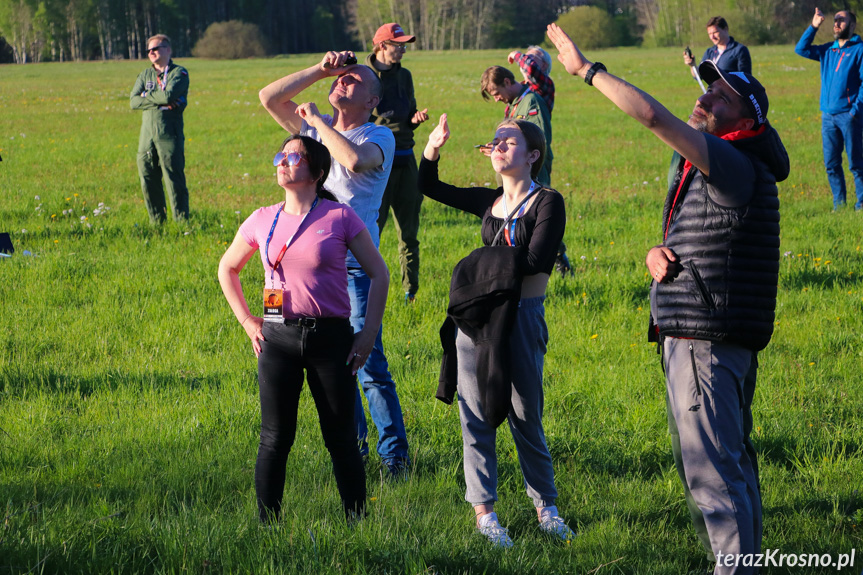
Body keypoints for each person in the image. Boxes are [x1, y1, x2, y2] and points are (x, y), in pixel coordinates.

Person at [548, 22, 788, 575]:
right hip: (712, 331)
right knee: (732, 463)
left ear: (746, 121)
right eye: (706, 87)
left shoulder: (732, 162)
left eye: (720, 97)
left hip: (706, 341)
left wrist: (588, 71)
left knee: (712, 470)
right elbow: (714, 237)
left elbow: (652, 117)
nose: (704, 97)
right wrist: (661, 252)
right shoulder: (734, 167)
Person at [419, 114, 576, 548]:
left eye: (509, 142)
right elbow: (430, 187)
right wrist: (433, 147)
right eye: (495, 141)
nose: (499, 147)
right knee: (475, 415)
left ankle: (547, 508)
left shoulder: (548, 202)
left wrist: (474, 264)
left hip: (523, 314)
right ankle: (484, 513)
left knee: (526, 413)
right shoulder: (489, 202)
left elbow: (536, 262)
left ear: (533, 155)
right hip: (478, 317)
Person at [218, 135, 390, 523]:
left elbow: (379, 274)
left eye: (293, 157)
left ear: (317, 171)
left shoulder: (340, 217)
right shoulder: (262, 218)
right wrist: (248, 321)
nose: (282, 161)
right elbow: (227, 269)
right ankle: (268, 527)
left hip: (331, 340)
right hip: (277, 338)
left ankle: (358, 524)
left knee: (342, 440)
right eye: (280, 155)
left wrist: (366, 335)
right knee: (274, 439)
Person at [259, 51, 411, 476]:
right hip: (313, 267)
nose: (342, 83)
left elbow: (354, 161)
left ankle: (394, 457)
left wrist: (321, 124)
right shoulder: (314, 127)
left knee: (368, 361)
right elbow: (269, 97)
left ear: (372, 101)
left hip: (358, 266)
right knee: (336, 364)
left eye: (353, 80)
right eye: (339, 79)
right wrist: (320, 70)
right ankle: (354, 450)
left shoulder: (378, 136)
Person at [366, 22, 430, 303]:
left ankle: (410, 292)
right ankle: (366, 290)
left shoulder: (405, 76)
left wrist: (414, 120)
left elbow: (408, 115)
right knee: (370, 231)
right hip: (379, 163)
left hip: (407, 160)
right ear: (382, 46)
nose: (403, 49)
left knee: (409, 232)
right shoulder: (363, 77)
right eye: (398, 44)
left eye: (405, 44)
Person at [796, 8, 863, 211]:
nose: (836, 24)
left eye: (841, 21)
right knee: (831, 164)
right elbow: (801, 49)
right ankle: (839, 205)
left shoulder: (859, 50)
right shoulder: (827, 50)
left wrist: (854, 112)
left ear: (852, 26)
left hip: (849, 116)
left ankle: (861, 204)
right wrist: (814, 25)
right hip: (828, 116)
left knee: (856, 164)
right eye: (835, 20)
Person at [130, 34, 189, 223]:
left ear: (168, 50)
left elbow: (169, 95)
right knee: (147, 177)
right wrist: (159, 98)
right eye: (149, 50)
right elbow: (133, 101)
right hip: (147, 134)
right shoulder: (144, 75)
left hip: (168, 134)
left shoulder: (179, 73)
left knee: (174, 178)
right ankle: (157, 222)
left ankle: (181, 222)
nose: (151, 52)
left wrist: (148, 96)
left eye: (156, 48)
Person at [683, 16, 751, 78]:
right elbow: (699, 76)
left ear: (725, 29)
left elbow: (746, 78)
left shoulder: (740, 50)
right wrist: (693, 65)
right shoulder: (709, 52)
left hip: (730, 91)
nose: (712, 37)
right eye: (709, 34)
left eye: (715, 32)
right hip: (714, 91)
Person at [508, 46, 555, 114]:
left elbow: (531, 67)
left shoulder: (546, 83)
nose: (525, 58)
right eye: (525, 56)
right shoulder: (521, 86)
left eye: (530, 57)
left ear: (544, 65)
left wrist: (515, 54)